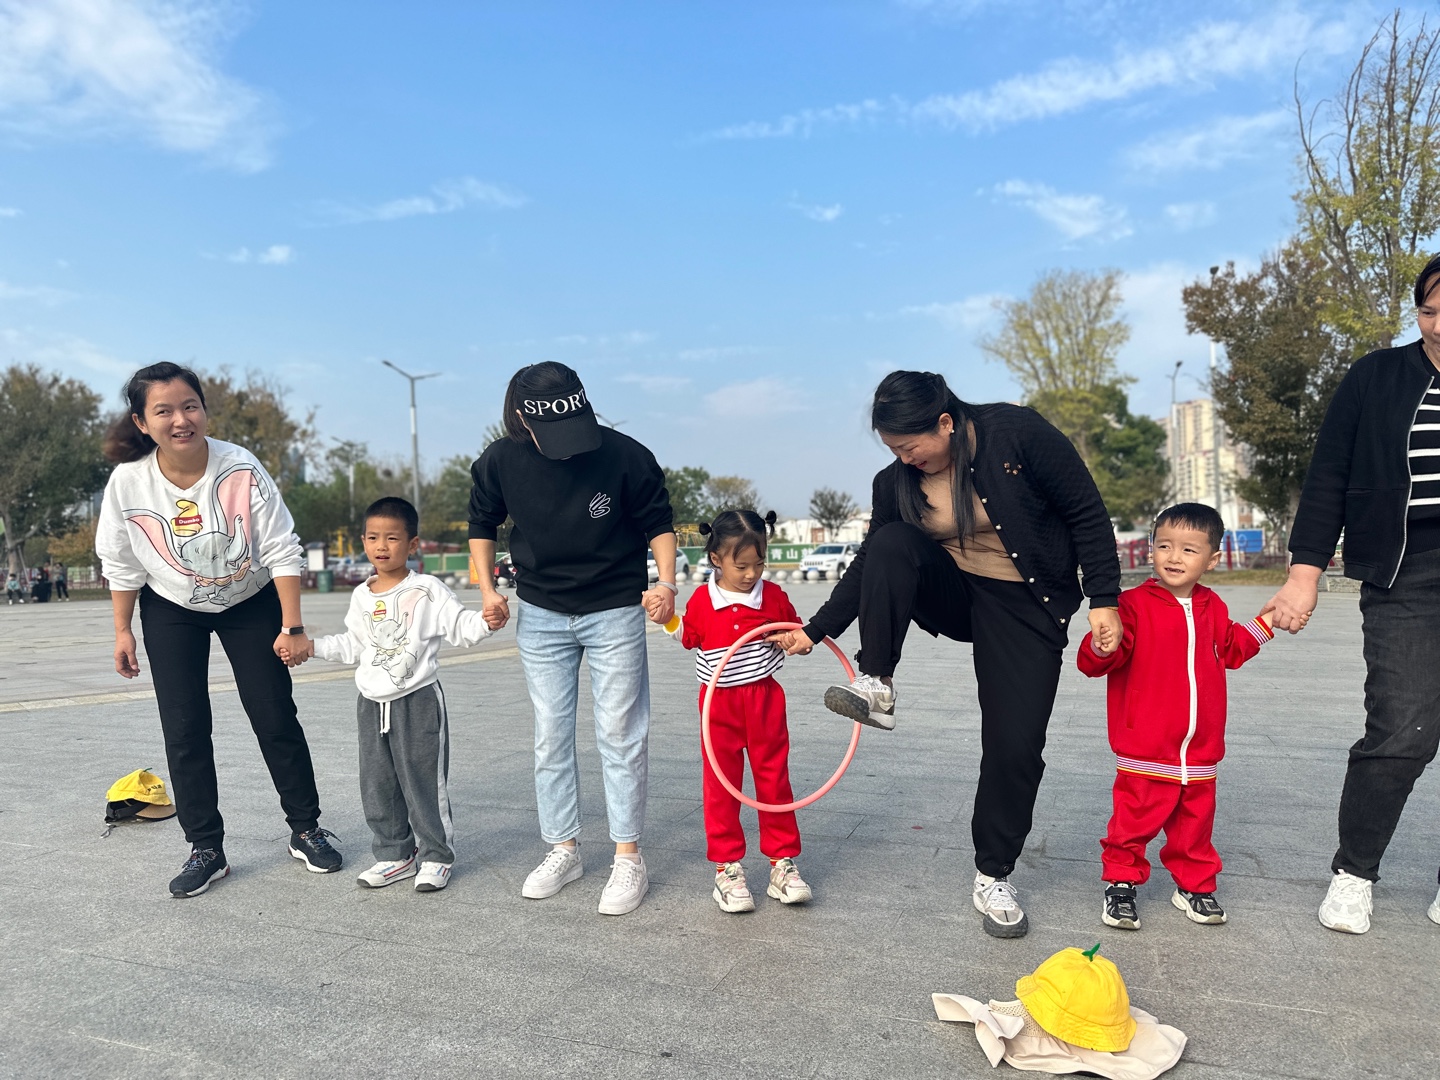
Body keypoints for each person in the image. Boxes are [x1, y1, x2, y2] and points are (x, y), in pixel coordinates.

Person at [772, 370, 1122, 938]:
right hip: (954, 594)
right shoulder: (895, 483)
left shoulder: (1016, 434)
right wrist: (816, 629)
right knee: (891, 542)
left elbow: (1086, 511)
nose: (905, 460)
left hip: (1025, 604)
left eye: (911, 448)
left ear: (945, 423)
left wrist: (1104, 598)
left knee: (1015, 746)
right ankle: (877, 684)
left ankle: (993, 874)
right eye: (893, 450)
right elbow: (871, 565)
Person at [95, 362, 342, 897]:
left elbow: (281, 547)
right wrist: (122, 630)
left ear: (204, 410)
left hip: (250, 600)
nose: (180, 420)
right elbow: (120, 562)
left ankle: (306, 829)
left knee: (274, 715)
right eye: (164, 411)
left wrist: (292, 625)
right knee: (184, 728)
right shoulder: (129, 482)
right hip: (171, 607)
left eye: (190, 406)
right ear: (141, 422)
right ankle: (205, 847)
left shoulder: (240, 466)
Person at [1267, 253, 1440, 935]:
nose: (1438, 326)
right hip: (1407, 570)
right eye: (1428, 311)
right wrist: (1303, 574)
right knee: (1400, 727)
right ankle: (1355, 872)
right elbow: (1329, 475)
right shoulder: (1376, 377)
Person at [468, 362, 677, 916]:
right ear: (522, 418)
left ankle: (628, 856)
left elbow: (658, 521)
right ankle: (563, 848)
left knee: (620, 732)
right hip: (540, 612)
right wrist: (488, 590)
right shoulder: (499, 461)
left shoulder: (626, 455)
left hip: (614, 609)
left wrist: (666, 583)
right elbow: (482, 523)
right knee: (551, 734)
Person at [1077, 504, 1275, 930]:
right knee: (1132, 823)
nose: (1173, 557)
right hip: (1145, 747)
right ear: (1151, 548)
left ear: (1212, 559)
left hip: (1200, 751)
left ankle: (1194, 887)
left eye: (1188, 549)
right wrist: (1100, 645)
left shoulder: (1213, 606)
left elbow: (1233, 648)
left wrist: (1268, 621)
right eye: (1164, 545)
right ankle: (1120, 885)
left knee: (1194, 828)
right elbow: (1096, 662)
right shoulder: (1130, 605)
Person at [311, 497, 501, 893]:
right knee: (377, 784)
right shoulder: (361, 595)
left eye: (392, 538)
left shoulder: (427, 590)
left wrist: (487, 620)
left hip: (417, 701)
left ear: (412, 544)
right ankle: (395, 854)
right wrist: (311, 647)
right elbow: (354, 645)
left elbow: (460, 627)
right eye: (373, 537)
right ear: (363, 541)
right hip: (371, 705)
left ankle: (437, 856)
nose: (382, 546)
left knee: (422, 783)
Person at [660, 509, 813, 913]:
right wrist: (667, 618)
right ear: (715, 558)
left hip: (764, 700)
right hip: (718, 705)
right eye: (741, 566)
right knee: (721, 784)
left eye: (758, 564)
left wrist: (794, 640)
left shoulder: (772, 596)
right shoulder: (703, 600)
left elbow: (797, 633)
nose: (751, 574)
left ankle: (782, 863)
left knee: (774, 778)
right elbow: (688, 636)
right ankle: (727, 867)